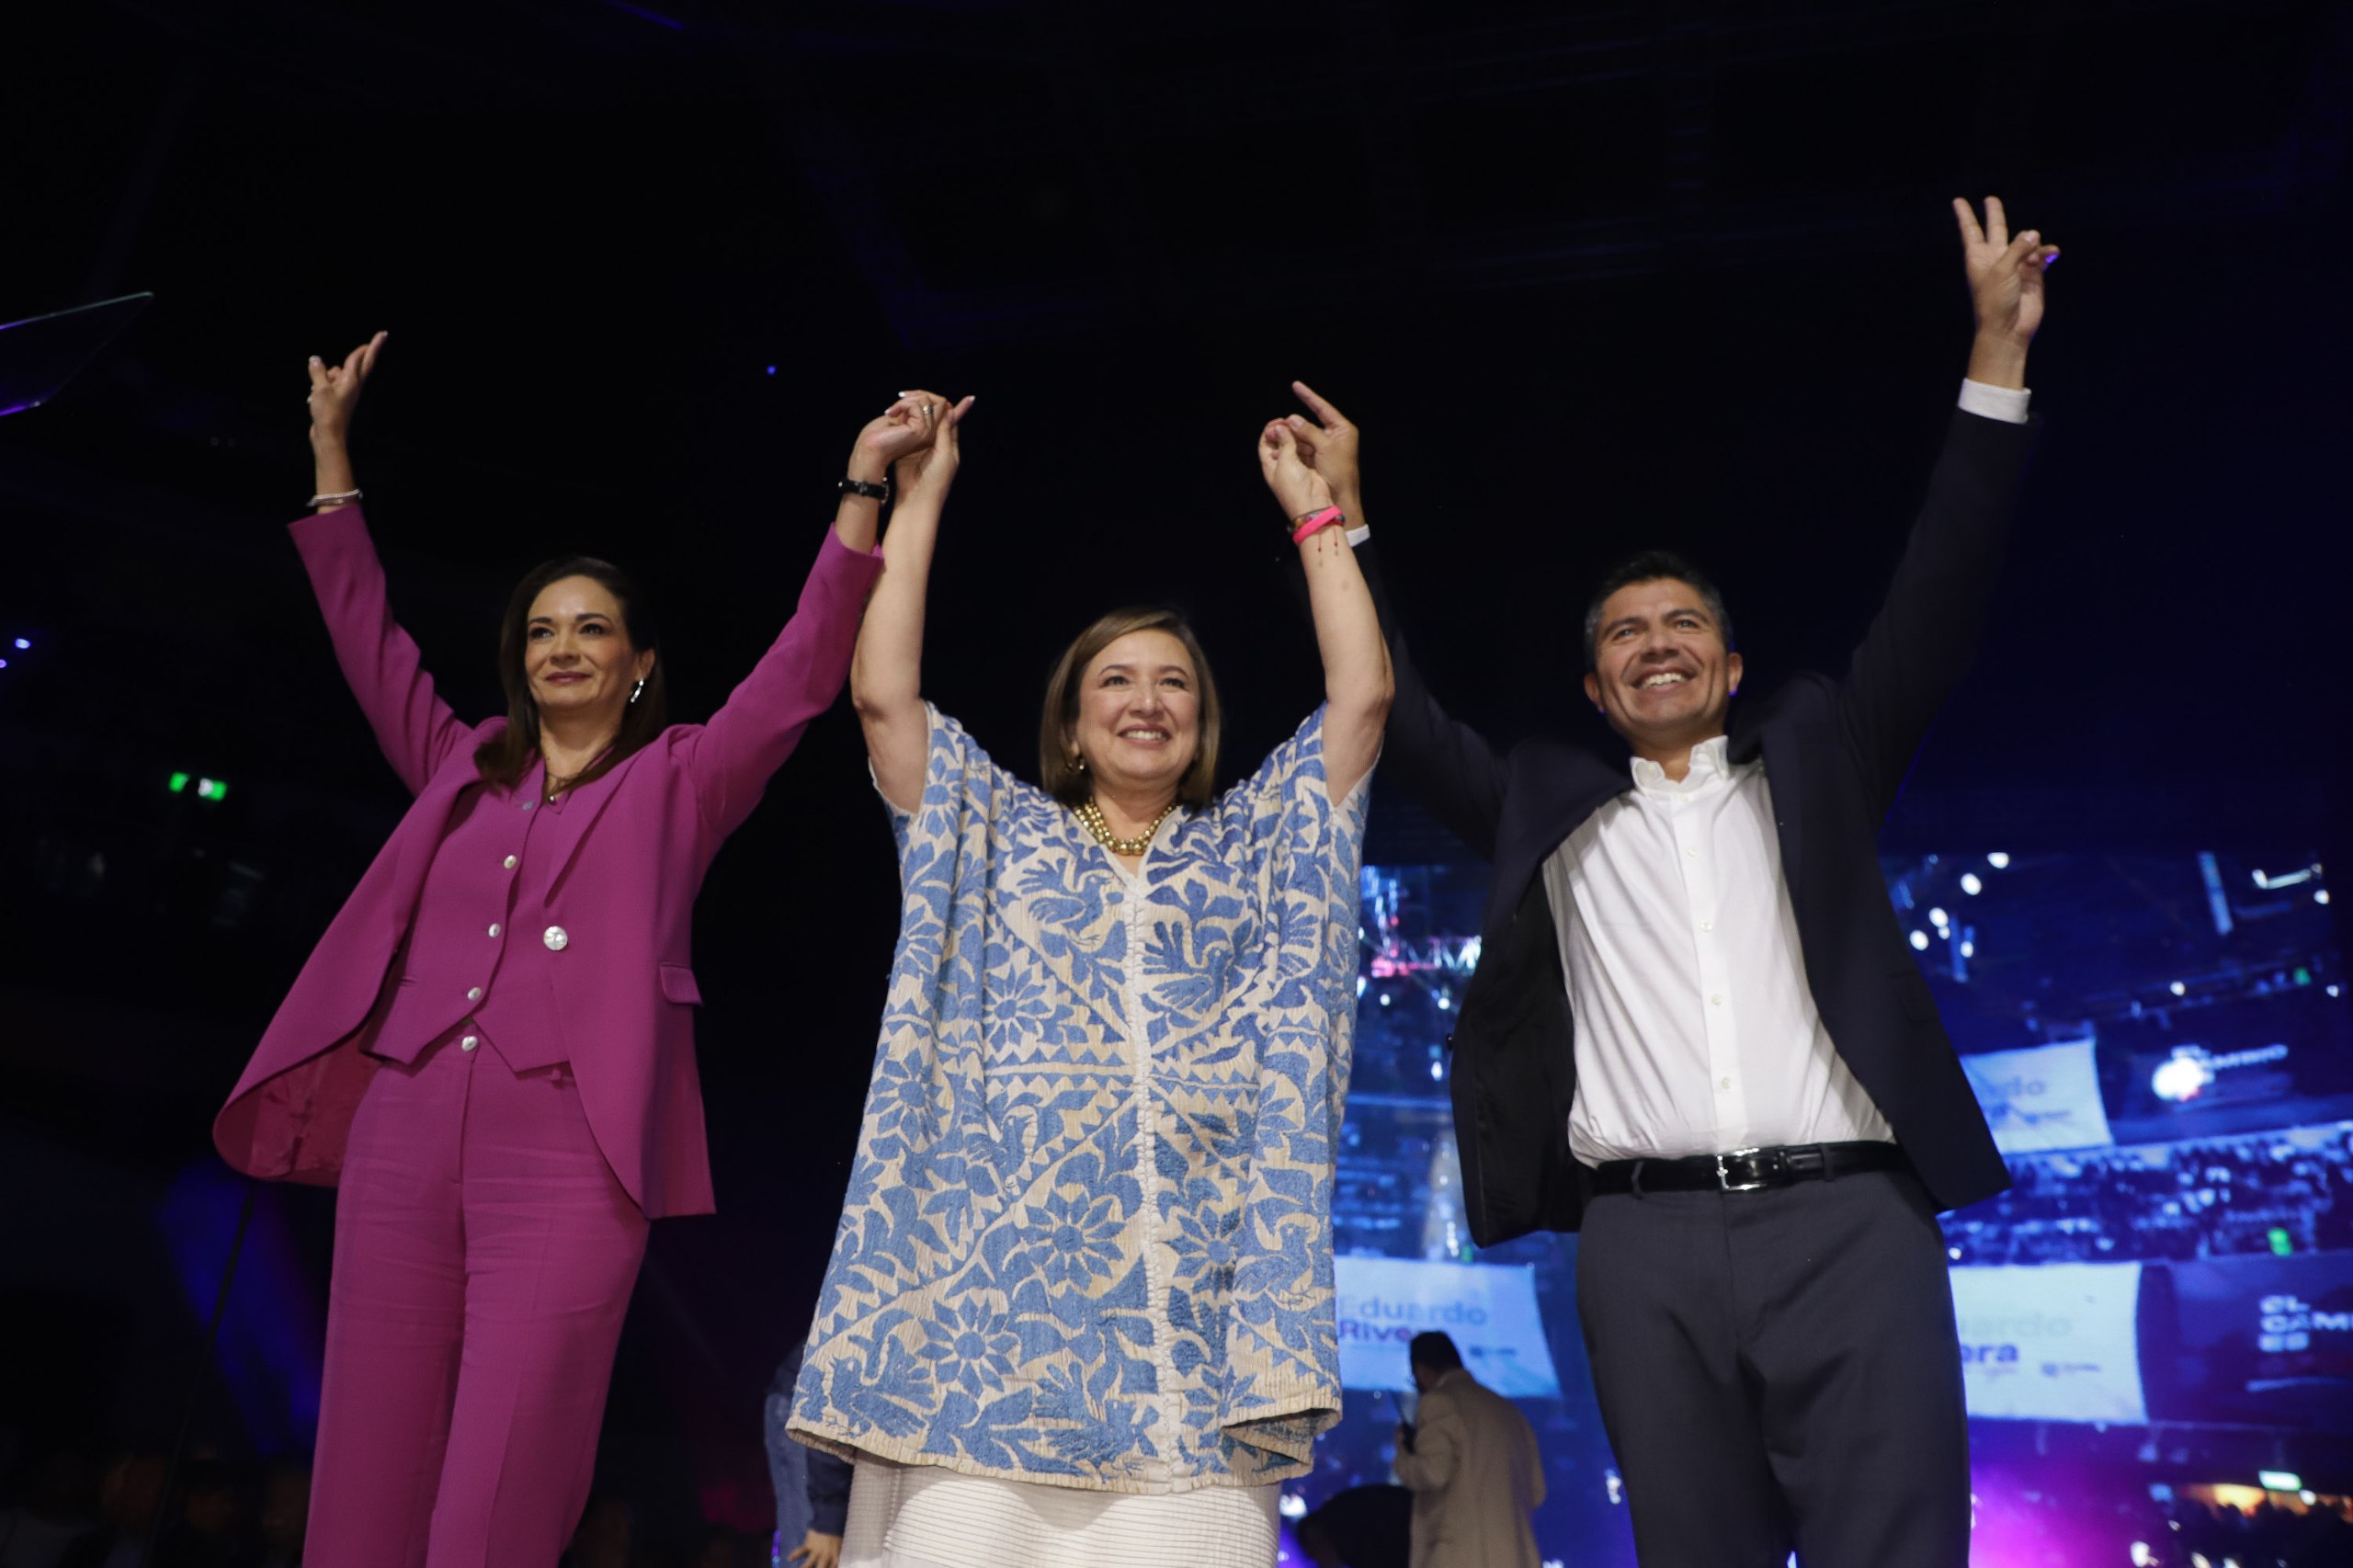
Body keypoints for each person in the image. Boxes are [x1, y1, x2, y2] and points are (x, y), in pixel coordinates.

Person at [1285, 198, 2056, 1567]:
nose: (1657, 642)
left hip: (1853, 1221)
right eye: (1625, 633)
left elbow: (1940, 593)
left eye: (1684, 622)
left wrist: (1996, 353)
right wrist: (1334, 521)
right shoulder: (1546, 810)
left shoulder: (1823, 757)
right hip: (1642, 1247)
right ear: (1594, 687)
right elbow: (1392, 705)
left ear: (1732, 664)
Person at [211, 333, 902, 1566]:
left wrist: (863, 486)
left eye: (591, 629)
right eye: (540, 631)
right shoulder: (462, 765)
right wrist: (330, 454)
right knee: (368, 1443)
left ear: (639, 667)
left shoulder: (685, 778)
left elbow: (803, 667)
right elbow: (371, 641)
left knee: (510, 1459)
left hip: (572, 1150)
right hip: (404, 1125)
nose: (561, 647)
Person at [787, 390, 1392, 1568]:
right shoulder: (993, 827)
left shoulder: (1254, 841)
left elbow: (1361, 697)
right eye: (1116, 680)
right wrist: (918, 499)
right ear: (1071, 723)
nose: (1147, 700)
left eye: (1173, 682)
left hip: (1194, 1365)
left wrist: (1320, 519)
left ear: (1202, 720)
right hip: (986, 1364)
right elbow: (881, 696)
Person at [1390, 1334, 1542, 1568]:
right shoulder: (1509, 1411)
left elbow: (1432, 1473)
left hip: (1463, 1556)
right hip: (1516, 1556)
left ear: (1421, 1371)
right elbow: (1537, 1491)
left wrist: (1403, 1453)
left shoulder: (1439, 1401)